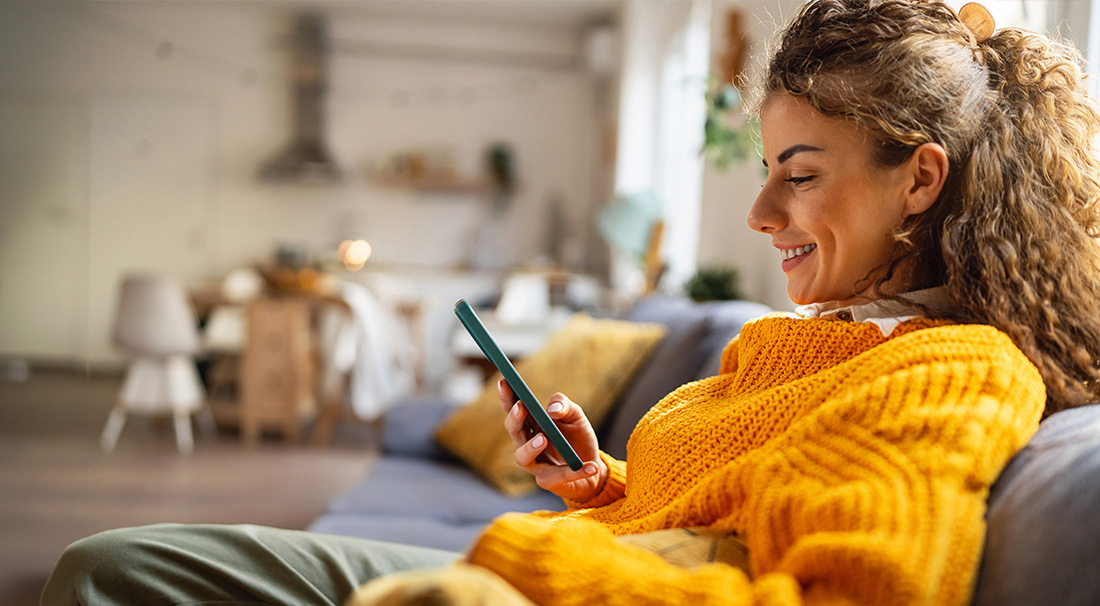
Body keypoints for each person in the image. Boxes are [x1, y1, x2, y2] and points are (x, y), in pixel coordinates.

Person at [42, 0, 1100, 604]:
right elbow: (720, 521)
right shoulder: (814, 342)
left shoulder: (950, 370)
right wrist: (596, 485)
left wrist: (538, 552)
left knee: (117, 579)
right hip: (579, 559)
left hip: (550, 587)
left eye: (799, 172)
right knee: (117, 565)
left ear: (916, 179)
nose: (759, 211)